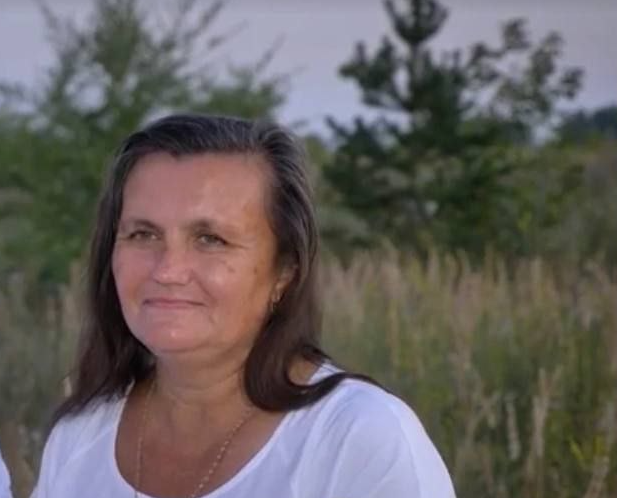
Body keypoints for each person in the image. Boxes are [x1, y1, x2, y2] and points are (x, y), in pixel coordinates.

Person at [31, 114, 456, 498]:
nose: (168, 270)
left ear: (285, 270)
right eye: (143, 234)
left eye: (210, 239)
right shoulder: (80, 436)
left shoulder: (358, 440)